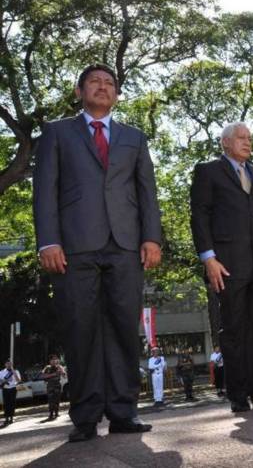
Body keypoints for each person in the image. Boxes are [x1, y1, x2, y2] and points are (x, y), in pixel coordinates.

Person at [33, 64, 161, 442]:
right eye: (94, 82)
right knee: (81, 329)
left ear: (117, 94)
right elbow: (45, 191)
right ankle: (85, 416)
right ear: (79, 91)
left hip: (125, 246)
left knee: (124, 328)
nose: (102, 88)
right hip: (73, 248)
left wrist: (151, 238)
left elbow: (146, 193)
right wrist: (48, 241)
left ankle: (124, 411)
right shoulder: (57, 133)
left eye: (109, 84)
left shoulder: (134, 137)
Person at [190, 122, 253, 413]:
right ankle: (238, 393)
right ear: (226, 143)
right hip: (227, 264)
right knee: (234, 329)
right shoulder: (207, 172)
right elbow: (199, 215)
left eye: (250, 138)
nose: (248, 142)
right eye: (242, 138)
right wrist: (209, 257)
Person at [41, 354, 67, 421]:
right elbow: (43, 376)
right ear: (50, 361)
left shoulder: (59, 367)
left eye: (55, 359)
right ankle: (51, 414)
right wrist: (53, 374)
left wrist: (62, 370)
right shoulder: (47, 367)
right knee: (50, 400)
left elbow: (64, 376)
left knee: (57, 400)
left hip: (57, 385)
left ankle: (56, 412)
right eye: (53, 359)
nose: (54, 361)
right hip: (50, 386)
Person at [1, 360, 22, 427]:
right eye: (7, 363)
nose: (9, 365)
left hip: (13, 388)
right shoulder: (1, 372)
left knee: (12, 403)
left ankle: (11, 418)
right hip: (6, 389)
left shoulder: (16, 371)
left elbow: (18, 380)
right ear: (5, 364)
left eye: (10, 363)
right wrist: (3, 381)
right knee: (6, 404)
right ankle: (6, 418)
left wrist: (13, 372)